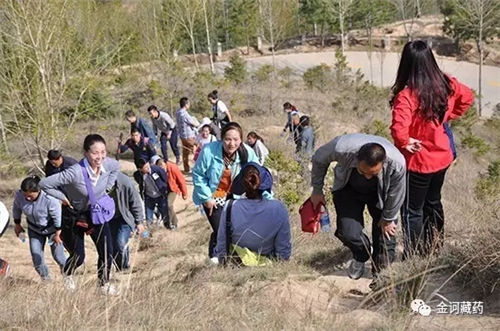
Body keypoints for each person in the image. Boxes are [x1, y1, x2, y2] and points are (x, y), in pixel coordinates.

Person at [390, 40, 474, 258]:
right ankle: (435, 248)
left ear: (406, 63)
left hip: (418, 161)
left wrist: (405, 141)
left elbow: (399, 129)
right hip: (442, 157)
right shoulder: (446, 83)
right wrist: (447, 118)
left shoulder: (407, 95)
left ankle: (414, 255)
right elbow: (467, 98)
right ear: (430, 60)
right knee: (433, 202)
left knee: (411, 210)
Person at [310, 133, 406, 285]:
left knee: (386, 235)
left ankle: (381, 278)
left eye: (373, 173)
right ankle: (361, 255)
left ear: (383, 163)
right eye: (363, 171)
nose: (368, 176)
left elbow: (397, 193)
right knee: (348, 232)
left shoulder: (397, 163)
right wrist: (317, 190)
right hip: (348, 189)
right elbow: (319, 158)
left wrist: (388, 219)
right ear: (356, 159)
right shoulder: (342, 148)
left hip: (382, 194)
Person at [39, 134, 121, 295]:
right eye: (95, 152)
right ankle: (68, 274)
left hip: (95, 214)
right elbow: (44, 184)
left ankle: (103, 284)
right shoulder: (74, 172)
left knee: (107, 250)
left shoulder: (109, 164)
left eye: (103, 152)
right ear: (85, 153)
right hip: (73, 215)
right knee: (79, 256)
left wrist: (106, 189)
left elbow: (116, 167)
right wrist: (63, 198)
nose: (100, 157)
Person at [192, 122, 262, 261]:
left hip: (235, 196)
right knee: (221, 230)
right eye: (228, 139)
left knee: (235, 230)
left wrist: (266, 198)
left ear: (241, 139)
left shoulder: (247, 153)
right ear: (221, 138)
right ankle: (218, 258)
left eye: (236, 139)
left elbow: (258, 176)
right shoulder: (209, 151)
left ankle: (227, 257)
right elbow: (198, 175)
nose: (231, 143)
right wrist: (206, 198)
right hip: (213, 195)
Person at [215, 162, 291, 263]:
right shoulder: (279, 208)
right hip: (268, 266)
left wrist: (223, 263)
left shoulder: (230, 206)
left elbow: (222, 244)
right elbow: (283, 251)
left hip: (236, 264)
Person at [12, 176, 67, 281]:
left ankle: (68, 277)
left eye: (30, 196)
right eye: (25, 195)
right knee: (36, 257)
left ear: (38, 190)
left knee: (58, 256)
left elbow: (57, 216)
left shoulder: (49, 198)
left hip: (53, 230)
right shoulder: (19, 196)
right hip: (34, 230)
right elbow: (16, 208)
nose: (27, 198)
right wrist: (17, 224)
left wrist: (58, 234)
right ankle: (46, 280)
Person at [108, 172, 145, 271]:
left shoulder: (125, 182)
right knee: (113, 244)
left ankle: (124, 266)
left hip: (124, 217)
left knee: (121, 242)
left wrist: (139, 221)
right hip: (109, 218)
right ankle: (119, 266)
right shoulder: (99, 182)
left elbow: (136, 202)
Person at [133, 158, 171, 229]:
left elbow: (165, 178)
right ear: (140, 169)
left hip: (160, 195)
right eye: (145, 167)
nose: (148, 168)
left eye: (148, 165)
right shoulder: (138, 175)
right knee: (148, 216)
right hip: (149, 197)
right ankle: (151, 231)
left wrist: (165, 189)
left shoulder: (156, 169)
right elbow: (140, 184)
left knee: (164, 213)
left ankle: (168, 227)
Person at [156, 159, 188, 230]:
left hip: (174, 189)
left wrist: (184, 193)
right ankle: (169, 222)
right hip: (164, 189)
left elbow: (181, 180)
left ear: (164, 164)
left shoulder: (173, 168)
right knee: (165, 206)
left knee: (168, 204)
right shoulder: (159, 170)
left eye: (162, 167)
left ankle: (173, 223)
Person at [176, 97, 200, 173]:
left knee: (185, 152)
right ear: (186, 104)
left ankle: (186, 168)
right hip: (189, 135)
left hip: (182, 136)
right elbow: (193, 123)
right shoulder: (184, 114)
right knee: (196, 150)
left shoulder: (178, 112)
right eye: (188, 103)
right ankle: (198, 167)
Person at [297, 116, 315, 181]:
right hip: (310, 153)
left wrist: (298, 154)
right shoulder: (311, 131)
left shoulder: (304, 133)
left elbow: (302, 145)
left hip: (304, 154)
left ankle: (306, 184)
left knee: (303, 170)